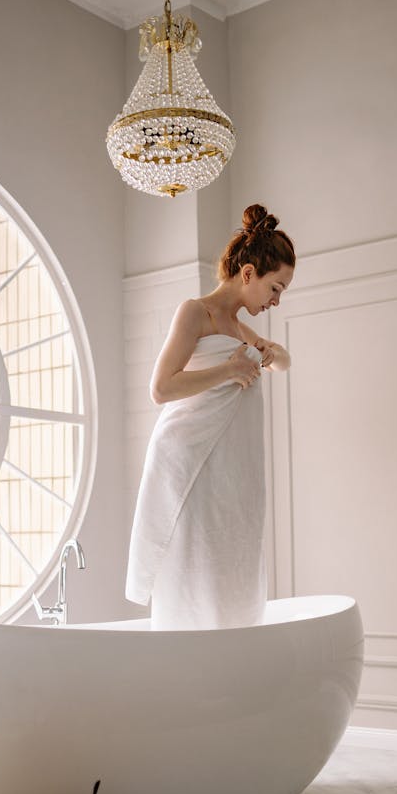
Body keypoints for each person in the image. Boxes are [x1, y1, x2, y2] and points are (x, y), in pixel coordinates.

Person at [126, 203, 296, 630]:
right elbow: (161, 388)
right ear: (248, 273)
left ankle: (226, 660)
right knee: (194, 570)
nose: (276, 301)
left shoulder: (241, 330)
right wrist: (230, 370)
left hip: (229, 473)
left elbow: (284, 363)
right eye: (275, 288)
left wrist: (269, 351)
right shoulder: (195, 312)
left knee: (229, 567)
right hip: (190, 463)